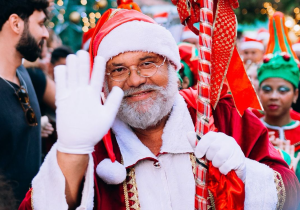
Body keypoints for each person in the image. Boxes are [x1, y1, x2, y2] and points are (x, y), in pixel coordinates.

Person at [19, 9, 300, 210]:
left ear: (172, 66)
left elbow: (291, 194)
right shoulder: (93, 139)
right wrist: (71, 151)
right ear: (103, 82)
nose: (136, 79)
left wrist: (245, 172)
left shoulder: (218, 113)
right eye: (118, 69)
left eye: (147, 63)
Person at [0, 0, 49, 205]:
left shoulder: (22, 73)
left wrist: (35, 127)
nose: (45, 33)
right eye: (40, 24)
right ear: (16, 23)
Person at [257, 12, 300, 182]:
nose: (274, 96)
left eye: (282, 90)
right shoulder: (249, 130)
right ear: (259, 91)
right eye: (267, 89)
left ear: (295, 94)